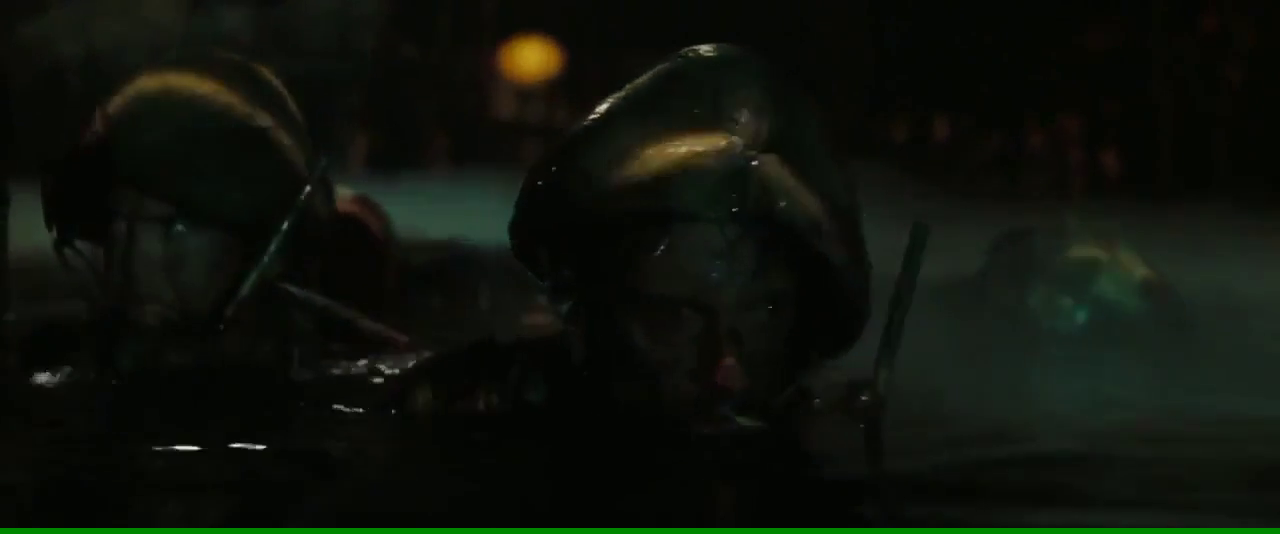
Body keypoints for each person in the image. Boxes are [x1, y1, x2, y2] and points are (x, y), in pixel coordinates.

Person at [380, 43, 875, 525]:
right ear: (585, 311)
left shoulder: (823, 424)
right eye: (672, 320)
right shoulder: (462, 413)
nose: (727, 372)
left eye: (765, 316)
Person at [7, 51, 382, 526]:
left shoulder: (335, 398)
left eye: (173, 228)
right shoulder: (58, 372)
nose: (136, 256)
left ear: (262, 247)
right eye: (121, 223)